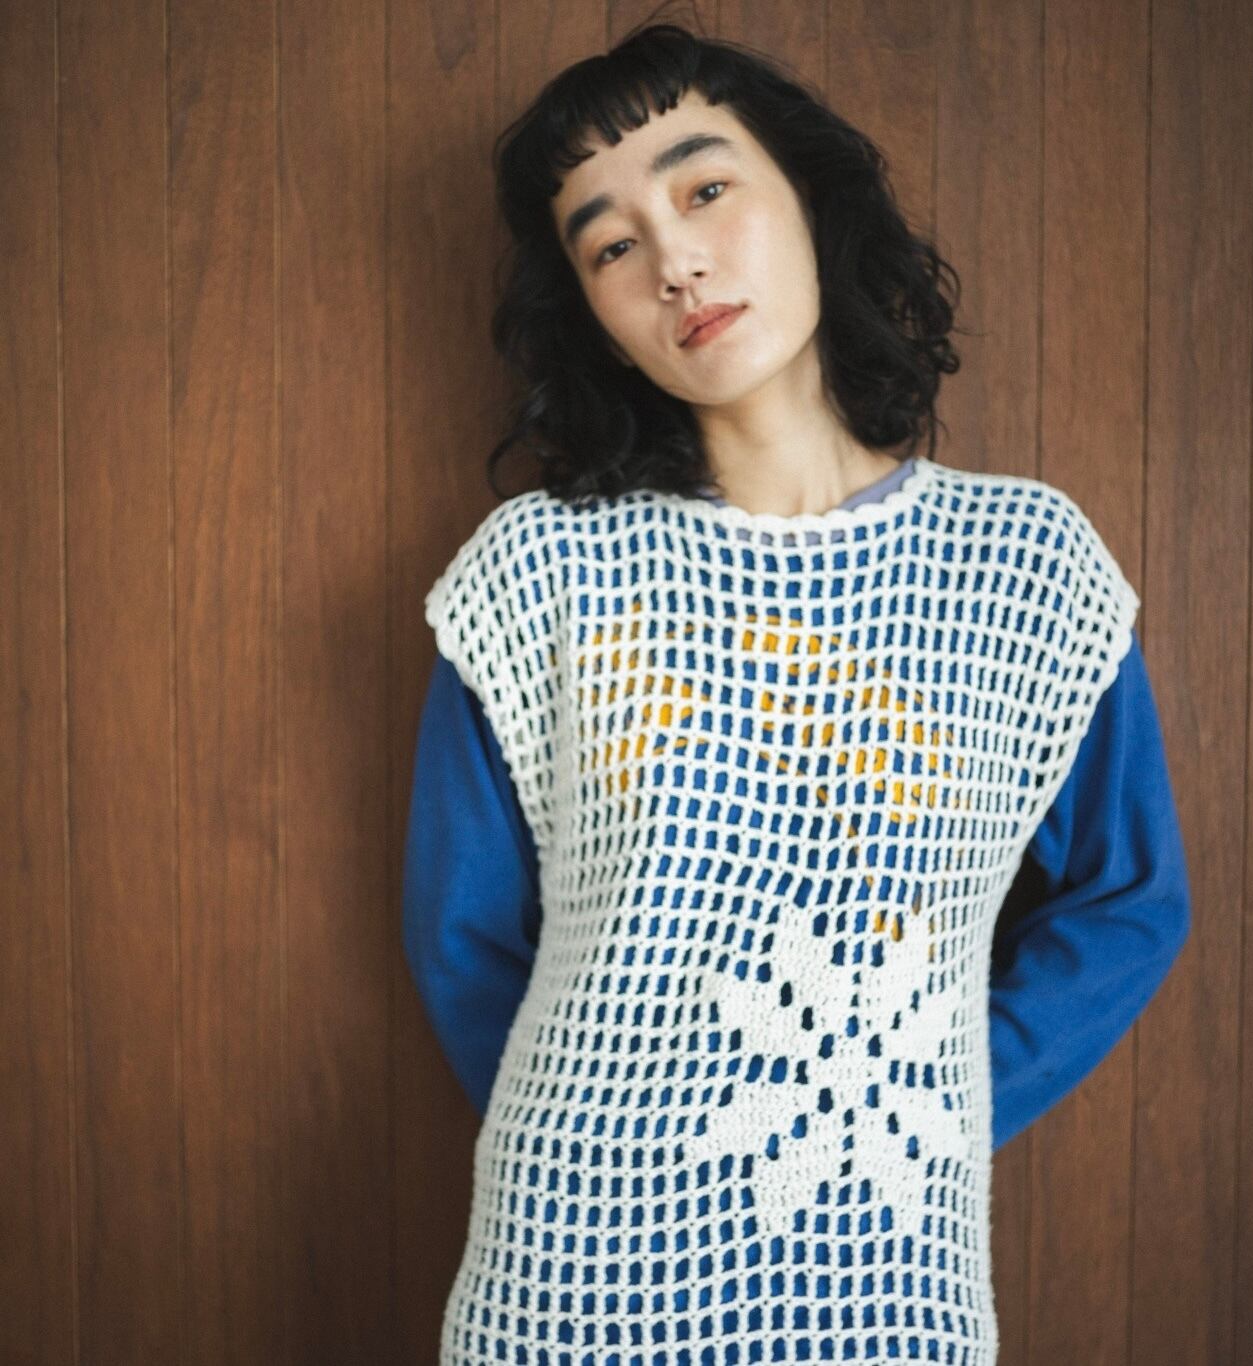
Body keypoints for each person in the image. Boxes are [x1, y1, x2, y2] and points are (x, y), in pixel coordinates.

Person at [402, 21, 1190, 1365]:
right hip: (574, 1268)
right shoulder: (538, 579)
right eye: (611, 246)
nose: (674, 261)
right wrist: (620, 1148)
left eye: (705, 188)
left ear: (811, 199)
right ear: (593, 315)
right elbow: (462, 937)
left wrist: (919, 1103)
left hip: (885, 1270)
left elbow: (1127, 898)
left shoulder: (1024, 572)